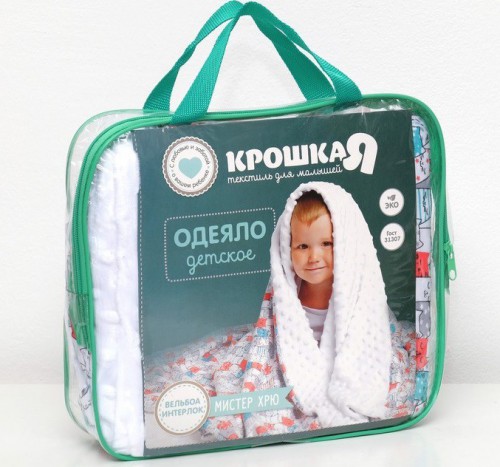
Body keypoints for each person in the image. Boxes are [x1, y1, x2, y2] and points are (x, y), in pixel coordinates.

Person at [290, 191, 334, 344]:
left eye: (326, 244)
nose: (314, 258)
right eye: (303, 246)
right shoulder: (287, 291)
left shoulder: (354, 292)